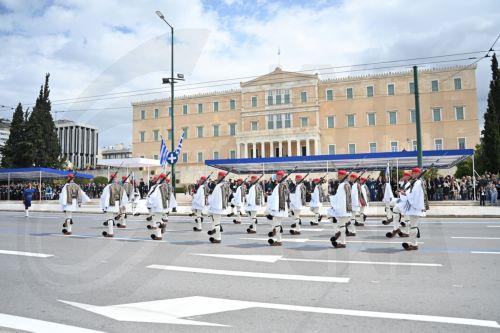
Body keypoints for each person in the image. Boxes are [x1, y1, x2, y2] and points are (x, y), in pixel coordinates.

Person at [396, 167, 428, 251]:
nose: (412, 175)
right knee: (413, 225)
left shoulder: (417, 183)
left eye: (413, 173)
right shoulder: (417, 182)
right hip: (415, 207)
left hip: (415, 207)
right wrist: (405, 193)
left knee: (413, 226)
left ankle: (414, 245)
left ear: (417, 173)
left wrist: (405, 194)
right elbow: (412, 194)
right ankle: (414, 243)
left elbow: (414, 195)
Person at [147, 174, 176, 240]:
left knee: (157, 220)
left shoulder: (157, 186)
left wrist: (149, 204)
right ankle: (163, 224)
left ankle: (159, 236)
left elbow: (151, 196)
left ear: (160, 179)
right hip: (165, 205)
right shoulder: (168, 186)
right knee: (159, 219)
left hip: (158, 206)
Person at [329, 170, 352, 248]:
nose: (337, 177)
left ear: (342, 176)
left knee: (341, 225)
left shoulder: (342, 185)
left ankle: (343, 242)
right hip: (346, 208)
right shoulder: (346, 184)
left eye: (339, 175)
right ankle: (339, 234)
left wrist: (334, 205)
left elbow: (341, 199)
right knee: (340, 223)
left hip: (343, 208)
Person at [207, 171, 230, 243]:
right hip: (220, 206)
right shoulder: (226, 184)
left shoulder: (218, 186)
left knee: (217, 222)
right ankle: (217, 228)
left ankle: (218, 238)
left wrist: (209, 199)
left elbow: (213, 197)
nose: (217, 177)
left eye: (218, 176)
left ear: (220, 176)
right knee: (210, 215)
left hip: (216, 207)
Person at [386, 171, 411, 238]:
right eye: (404, 175)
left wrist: (402, 193)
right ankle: (396, 228)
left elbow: (408, 194)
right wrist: (398, 192)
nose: (404, 177)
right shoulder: (404, 183)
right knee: (394, 209)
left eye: (405, 176)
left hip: (407, 202)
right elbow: (401, 191)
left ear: (408, 177)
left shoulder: (409, 184)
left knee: (407, 218)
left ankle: (407, 232)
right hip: (402, 201)